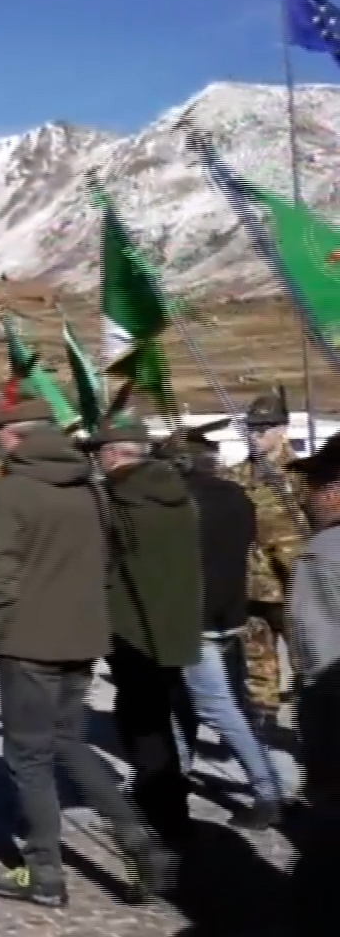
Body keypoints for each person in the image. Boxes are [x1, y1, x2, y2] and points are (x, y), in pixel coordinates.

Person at [0, 401, 171, 907]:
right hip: (82, 637)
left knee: (29, 758)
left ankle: (44, 872)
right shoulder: (92, 489)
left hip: (28, 642)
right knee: (70, 744)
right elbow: (110, 560)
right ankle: (138, 840)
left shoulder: (7, 494)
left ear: (14, 438)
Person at [94, 414, 203, 856]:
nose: (97, 460)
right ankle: (170, 802)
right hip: (175, 622)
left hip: (131, 625)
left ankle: (162, 812)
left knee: (144, 724)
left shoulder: (117, 499)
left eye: (100, 452)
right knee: (163, 715)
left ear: (114, 454)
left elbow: (102, 564)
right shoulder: (179, 495)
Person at [167, 420, 285, 830]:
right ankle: (174, 777)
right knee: (185, 702)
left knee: (216, 709)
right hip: (230, 615)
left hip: (192, 619)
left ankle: (268, 791)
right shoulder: (238, 496)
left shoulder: (178, 503)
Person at [284, 434, 340, 936]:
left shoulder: (324, 553)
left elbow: (318, 659)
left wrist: (319, 757)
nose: (311, 495)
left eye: (319, 484)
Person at [233, 388, 305, 733]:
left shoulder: (301, 475)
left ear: (283, 430)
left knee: (307, 661)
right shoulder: (235, 476)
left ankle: (314, 726)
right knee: (256, 659)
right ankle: (263, 722)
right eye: (250, 428)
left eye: (263, 428)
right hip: (250, 587)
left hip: (295, 587)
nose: (254, 435)